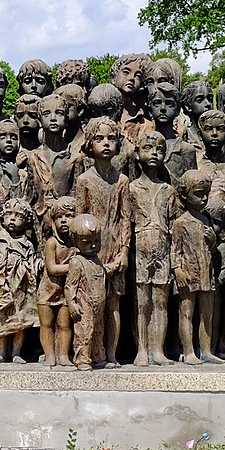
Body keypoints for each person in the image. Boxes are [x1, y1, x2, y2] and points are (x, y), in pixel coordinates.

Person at [72, 117, 132, 366]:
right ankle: (89, 353)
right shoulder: (84, 180)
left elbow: (126, 218)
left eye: (111, 138)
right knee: (90, 306)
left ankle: (110, 354)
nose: (105, 144)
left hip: (115, 250)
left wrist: (124, 252)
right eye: (99, 138)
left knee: (112, 306)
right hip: (90, 253)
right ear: (90, 143)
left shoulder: (122, 181)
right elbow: (78, 218)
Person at [128, 130, 178, 365]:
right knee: (141, 303)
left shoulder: (168, 190)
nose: (154, 154)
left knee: (160, 302)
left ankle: (157, 350)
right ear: (137, 154)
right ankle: (142, 349)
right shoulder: (131, 188)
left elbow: (174, 224)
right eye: (148, 149)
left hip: (163, 248)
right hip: (139, 249)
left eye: (159, 150)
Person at [172, 170, 223, 364]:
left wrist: (212, 240)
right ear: (185, 195)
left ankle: (206, 350)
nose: (203, 199)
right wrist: (178, 270)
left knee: (207, 313)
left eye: (206, 194)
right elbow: (175, 250)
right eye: (198, 194)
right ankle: (188, 351)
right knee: (186, 312)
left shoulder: (206, 220)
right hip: (188, 274)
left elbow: (210, 248)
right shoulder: (181, 223)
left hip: (205, 273)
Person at [0, 198, 40, 363]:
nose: (12, 219)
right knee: (1, 319)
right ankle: (0, 351)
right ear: (2, 218)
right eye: (8, 215)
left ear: (26, 221)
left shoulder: (27, 244)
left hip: (21, 289)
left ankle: (16, 351)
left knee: (20, 319)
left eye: (19, 216)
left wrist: (36, 266)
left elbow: (32, 262)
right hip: (0, 287)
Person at [38, 196, 76, 367]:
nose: (64, 221)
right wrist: (74, 266)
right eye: (59, 217)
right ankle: (49, 355)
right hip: (47, 291)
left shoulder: (76, 245)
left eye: (68, 216)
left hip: (65, 292)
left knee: (64, 325)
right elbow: (52, 268)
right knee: (46, 325)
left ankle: (63, 355)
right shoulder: (51, 243)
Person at [65, 214, 107, 371]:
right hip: (84, 304)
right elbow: (70, 285)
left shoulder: (97, 260)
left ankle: (97, 356)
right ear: (75, 242)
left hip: (99, 304)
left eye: (96, 241)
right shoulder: (77, 262)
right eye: (87, 243)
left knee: (98, 331)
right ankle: (82, 358)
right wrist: (71, 303)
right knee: (84, 332)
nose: (93, 246)